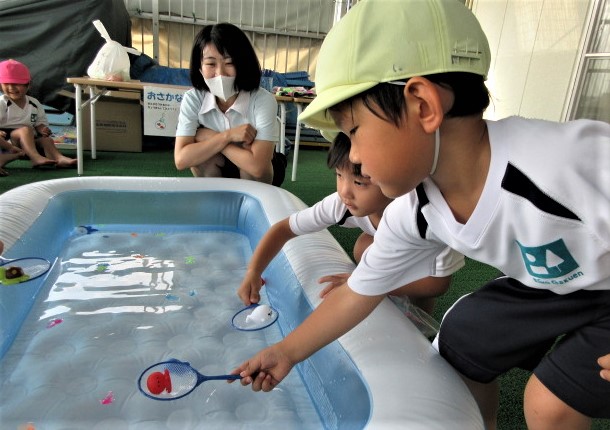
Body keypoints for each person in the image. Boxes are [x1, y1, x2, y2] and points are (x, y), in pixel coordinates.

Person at [230, 1, 610, 429]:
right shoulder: (416, 211)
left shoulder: (561, 163)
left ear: (423, 106)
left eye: (353, 131)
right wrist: (286, 352)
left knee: (549, 404)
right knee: (462, 339)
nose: (354, 155)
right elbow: (358, 293)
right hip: (554, 283)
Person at [238, 131, 463, 316]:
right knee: (363, 248)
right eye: (339, 175)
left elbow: (437, 284)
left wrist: (366, 283)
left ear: (394, 178)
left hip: (424, 260)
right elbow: (284, 229)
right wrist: (253, 271)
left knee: (417, 302)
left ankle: (418, 322)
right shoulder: (341, 203)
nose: (345, 191)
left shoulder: (423, 216)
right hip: (396, 246)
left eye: (359, 182)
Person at [174, 23, 286, 186]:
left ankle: (250, 201)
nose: (220, 73)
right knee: (202, 159)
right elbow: (181, 160)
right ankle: (216, 197)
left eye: (230, 63)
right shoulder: (193, 98)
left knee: (249, 163)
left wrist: (210, 137)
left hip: (259, 174)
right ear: (200, 68)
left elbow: (258, 167)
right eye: (211, 64)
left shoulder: (263, 100)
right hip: (218, 165)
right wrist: (228, 136)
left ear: (243, 64)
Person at [0, 59, 77, 171]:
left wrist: (42, 129)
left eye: (17, 84)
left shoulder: (34, 103)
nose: (11, 88)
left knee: (47, 140)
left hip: (28, 143)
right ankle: (35, 158)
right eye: (6, 84)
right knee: (25, 129)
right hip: (7, 144)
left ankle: (59, 158)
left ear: (28, 85)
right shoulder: (2, 102)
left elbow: (39, 123)